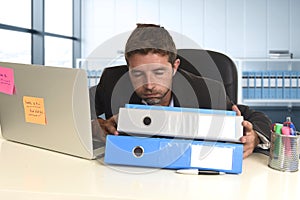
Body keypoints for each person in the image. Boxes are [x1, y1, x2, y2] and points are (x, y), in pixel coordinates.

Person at [95, 23, 272, 159]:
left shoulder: (207, 92)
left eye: (158, 72)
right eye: (138, 74)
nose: (149, 85)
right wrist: (95, 126)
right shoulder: (111, 82)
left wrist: (254, 136)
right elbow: (72, 116)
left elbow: (255, 117)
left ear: (174, 67)